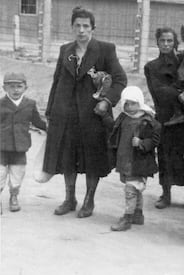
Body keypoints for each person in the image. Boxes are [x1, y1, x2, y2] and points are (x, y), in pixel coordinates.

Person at [44, 7, 127, 218]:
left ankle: (89, 200)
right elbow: (56, 81)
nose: (81, 30)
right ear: (72, 27)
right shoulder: (66, 50)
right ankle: (69, 198)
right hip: (66, 113)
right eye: (77, 26)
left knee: (92, 157)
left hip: (92, 114)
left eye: (85, 26)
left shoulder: (105, 50)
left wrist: (107, 102)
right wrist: (51, 110)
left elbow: (119, 80)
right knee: (67, 156)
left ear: (93, 28)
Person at [144, 27, 184, 209]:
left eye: (170, 41)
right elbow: (158, 91)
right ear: (157, 42)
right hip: (164, 116)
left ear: (175, 43)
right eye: (162, 41)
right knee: (165, 156)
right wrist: (180, 93)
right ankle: (166, 194)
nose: (166, 44)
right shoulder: (151, 67)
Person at [108, 86, 161, 231]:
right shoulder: (123, 118)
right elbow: (114, 132)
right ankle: (138, 213)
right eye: (126, 103)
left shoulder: (147, 121)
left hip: (139, 162)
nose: (129, 107)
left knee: (130, 190)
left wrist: (142, 143)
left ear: (140, 102)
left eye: (133, 103)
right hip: (124, 159)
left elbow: (155, 139)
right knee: (135, 189)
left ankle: (127, 217)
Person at [0, 72, 47, 212]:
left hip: (20, 147)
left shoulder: (30, 104)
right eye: (11, 86)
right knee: (0, 173)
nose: (15, 90)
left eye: (19, 86)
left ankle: (14, 197)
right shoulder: (1, 104)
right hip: (1, 146)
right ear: (4, 88)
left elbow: (37, 121)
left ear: (25, 87)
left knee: (17, 173)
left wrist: (50, 129)